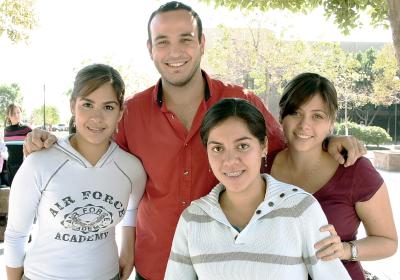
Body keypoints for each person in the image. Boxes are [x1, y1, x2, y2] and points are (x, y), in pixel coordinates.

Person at [23, 2, 366, 279]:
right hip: (155, 267)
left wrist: (327, 140)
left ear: (201, 44)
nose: (175, 51)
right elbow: (93, 149)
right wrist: (48, 143)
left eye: (186, 38)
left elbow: (284, 149)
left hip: (228, 266)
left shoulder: (241, 102)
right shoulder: (131, 113)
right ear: (150, 49)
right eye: (163, 41)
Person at [165, 98, 351, 279]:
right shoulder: (192, 219)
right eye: (217, 149)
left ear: (263, 146)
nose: (230, 161)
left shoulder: (301, 209)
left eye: (243, 146)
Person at [5, 64, 146, 280]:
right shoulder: (40, 162)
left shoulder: (131, 169)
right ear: (73, 106)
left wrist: (128, 250)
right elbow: (16, 235)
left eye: (108, 107)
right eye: (87, 104)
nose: (97, 118)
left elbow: (131, 211)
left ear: (120, 113)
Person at [266, 72, 398, 279]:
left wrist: (345, 250)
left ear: (331, 122)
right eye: (296, 113)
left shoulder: (355, 169)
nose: (304, 125)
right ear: (282, 116)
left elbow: (388, 242)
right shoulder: (261, 166)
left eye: (317, 116)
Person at [4, 104, 32, 184]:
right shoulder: (6, 130)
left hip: (22, 166)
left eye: (18, 112)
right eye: (13, 113)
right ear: (8, 115)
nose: (16, 115)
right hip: (9, 165)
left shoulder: (26, 129)